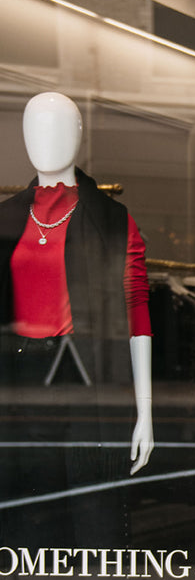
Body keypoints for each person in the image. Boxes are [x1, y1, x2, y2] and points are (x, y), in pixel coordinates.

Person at [0, 91, 153, 474]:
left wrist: (145, 410)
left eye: (59, 129)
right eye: (35, 129)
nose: (45, 140)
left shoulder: (112, 220)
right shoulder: (6, 218)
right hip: (19, 377)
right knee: (26, 511)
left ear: (79, 136)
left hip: (86, 376)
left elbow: (137, 311)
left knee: (91, 507)